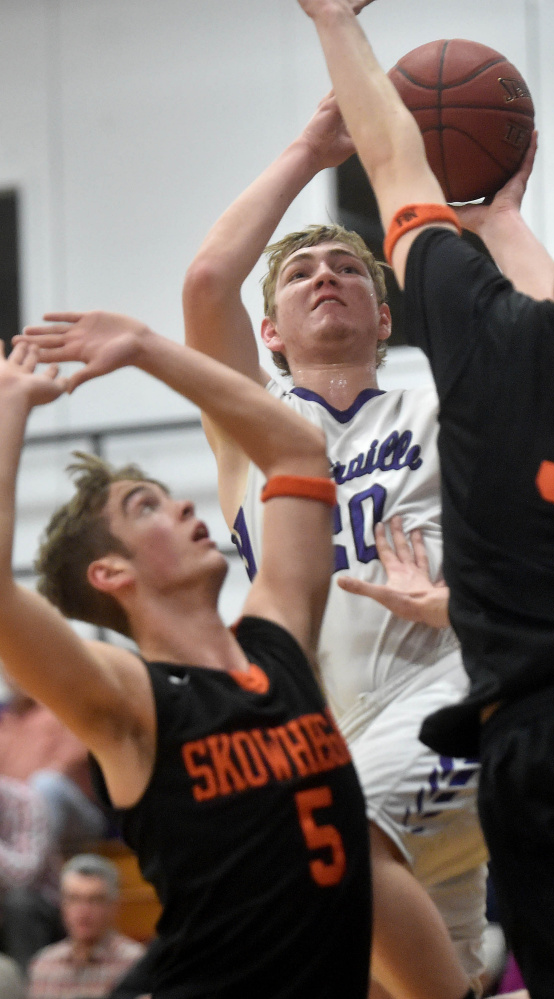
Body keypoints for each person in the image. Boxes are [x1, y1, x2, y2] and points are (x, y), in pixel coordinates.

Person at [292, 3, 554, 998]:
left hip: (548, 734)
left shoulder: (489, 338)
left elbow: (393, 160)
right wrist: (506, 225)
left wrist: (335, 21)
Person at [182, 93, 487, 999]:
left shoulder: (443, 406)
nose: (325, 276)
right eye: (301, 273)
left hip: (447, 695)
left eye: (348, 269)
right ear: (269, 334)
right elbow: (207, 284)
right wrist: (308, 152)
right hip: (324, 733)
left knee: (342, 847)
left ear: (384, 317)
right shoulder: (254, 428)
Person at [1, 318, 371, 999]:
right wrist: (10, 407)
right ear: (110, 573)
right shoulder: (130, 698)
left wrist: (144, 347)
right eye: (146, 506)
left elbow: (298, 451)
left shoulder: (277, 638)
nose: (181, 506)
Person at [0, 685, 108, 852]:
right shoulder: (7, 722)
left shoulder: (67, 707)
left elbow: (68, 767)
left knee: (46, 784)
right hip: (20, 817)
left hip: (79, 814)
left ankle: (32, 864)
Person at [27, 854, 144, 999]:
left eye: (95, 900)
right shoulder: (44, 965)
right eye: (74, 899)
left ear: (113, 905)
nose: (84, 910)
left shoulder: (135, 964)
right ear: (62, 904)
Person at [0, 775, 62, 970]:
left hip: (41, 907)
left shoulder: (24, 801)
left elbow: (25, 874)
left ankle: (26, 982)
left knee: (19, 902)